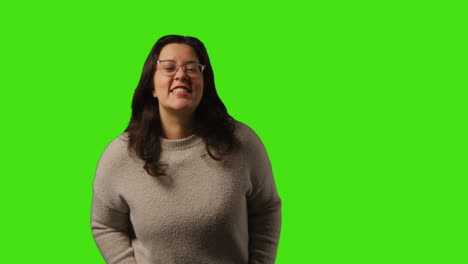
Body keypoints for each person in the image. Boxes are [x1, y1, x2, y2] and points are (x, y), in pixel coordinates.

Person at [91, 35, 281, 264]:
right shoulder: (121, 155)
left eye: (192, 68)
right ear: (151, 85)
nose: (181, 75)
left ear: (204, 83)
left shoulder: (242, 142)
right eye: (169, 68)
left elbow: (267, 208)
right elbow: (104, 224)